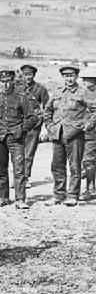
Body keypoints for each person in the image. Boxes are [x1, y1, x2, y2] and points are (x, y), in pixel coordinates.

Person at [0, 69, 39, 209]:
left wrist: (22, 130)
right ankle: (3, 198)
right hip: (0, 138)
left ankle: (20, 199)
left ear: (13, 81)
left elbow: (32, 117)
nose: (6, 85)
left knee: (19, 169)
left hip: (16, 139)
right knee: (1, 169)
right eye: (3, 82)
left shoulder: (21, 97)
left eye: (8, 81)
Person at [43, 65, 96, 206]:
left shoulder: (83, 92)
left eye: (72, 76)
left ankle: (73, 195)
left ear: (76, 77)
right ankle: (58, 195)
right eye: (66, 76)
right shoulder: (58, 92)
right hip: (57, 134)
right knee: (57, 166)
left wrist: (88, 125)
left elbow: (95, 110)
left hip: (75, 135)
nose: (69, 79)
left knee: (75, 166)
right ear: (63, 77)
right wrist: (49, 126)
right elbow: (47, 110)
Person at [18, 64, 50, 185]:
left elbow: (47, 107)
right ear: (22, 75)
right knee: (17, 151)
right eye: (25, 74)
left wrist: (45, 123)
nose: (28, 77)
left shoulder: (40, 89)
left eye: (30, 74)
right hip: (18, 124)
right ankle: (18, 176)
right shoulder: (17, 88)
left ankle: (25, 177)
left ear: (34, 75)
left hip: (34, 125)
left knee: (29, 152)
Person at [81, 68, 96, 200]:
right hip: (84, 132)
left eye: (86, 79)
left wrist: (89, 125)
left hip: (91, 133)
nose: (83, 82)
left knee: (89, 161)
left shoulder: (93, 95)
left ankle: (90, 190)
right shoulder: (85, 93)